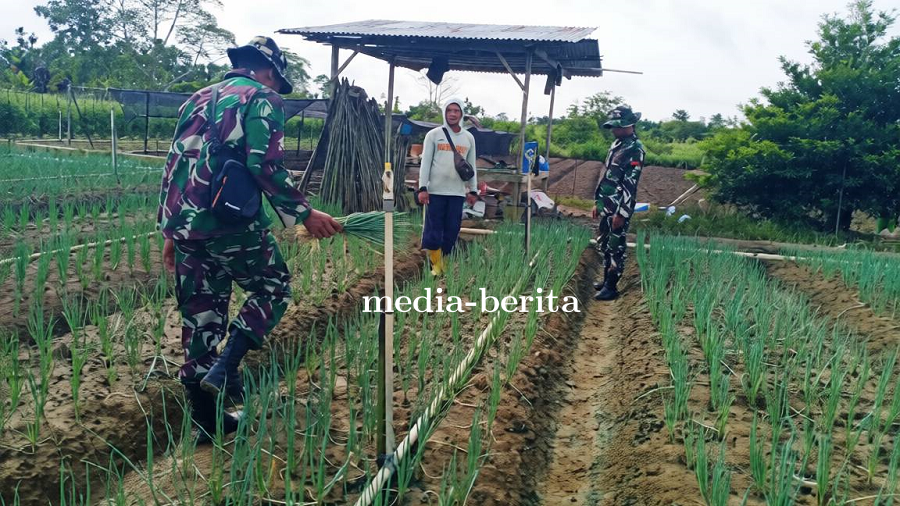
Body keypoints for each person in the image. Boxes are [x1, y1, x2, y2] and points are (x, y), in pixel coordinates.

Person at [157, 36, 341, 441]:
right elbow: (264, 164)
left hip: (188, 227)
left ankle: (207, 425)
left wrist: (171, 230)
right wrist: (304, 214)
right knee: (273, 287)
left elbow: (174, 165)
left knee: (200, 318)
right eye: (278, 81)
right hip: (232, 223)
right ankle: (226, 367)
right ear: (270, 72)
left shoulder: (195, 99)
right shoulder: (262, 98)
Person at [416, 98, 478, 275]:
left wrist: (473, 190)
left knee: (452, 231)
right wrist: (423, 188)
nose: (452, 114)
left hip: (457, 193)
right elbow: (425, 163)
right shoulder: (434, 135)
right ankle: (436, 266)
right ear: (444, 113)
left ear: (462, 114)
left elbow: (471, 166)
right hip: (435, 192)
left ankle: (443, 261)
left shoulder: (468, 138)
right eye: (449, 110)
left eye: (456, 111)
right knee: (434, 231)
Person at [591, 105, 645, 301]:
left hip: (619, 206)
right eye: (613, 126)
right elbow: (607, 176)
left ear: (630, 125)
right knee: (605, 242)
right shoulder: (617, 144)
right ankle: (606, 278)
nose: (614, 129)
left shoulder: (635, 149)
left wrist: (621, 213)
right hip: (606, 203)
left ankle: (611, 286)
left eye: (618, 126)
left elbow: (630, 184)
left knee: (616, 245)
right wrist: (597, 203)